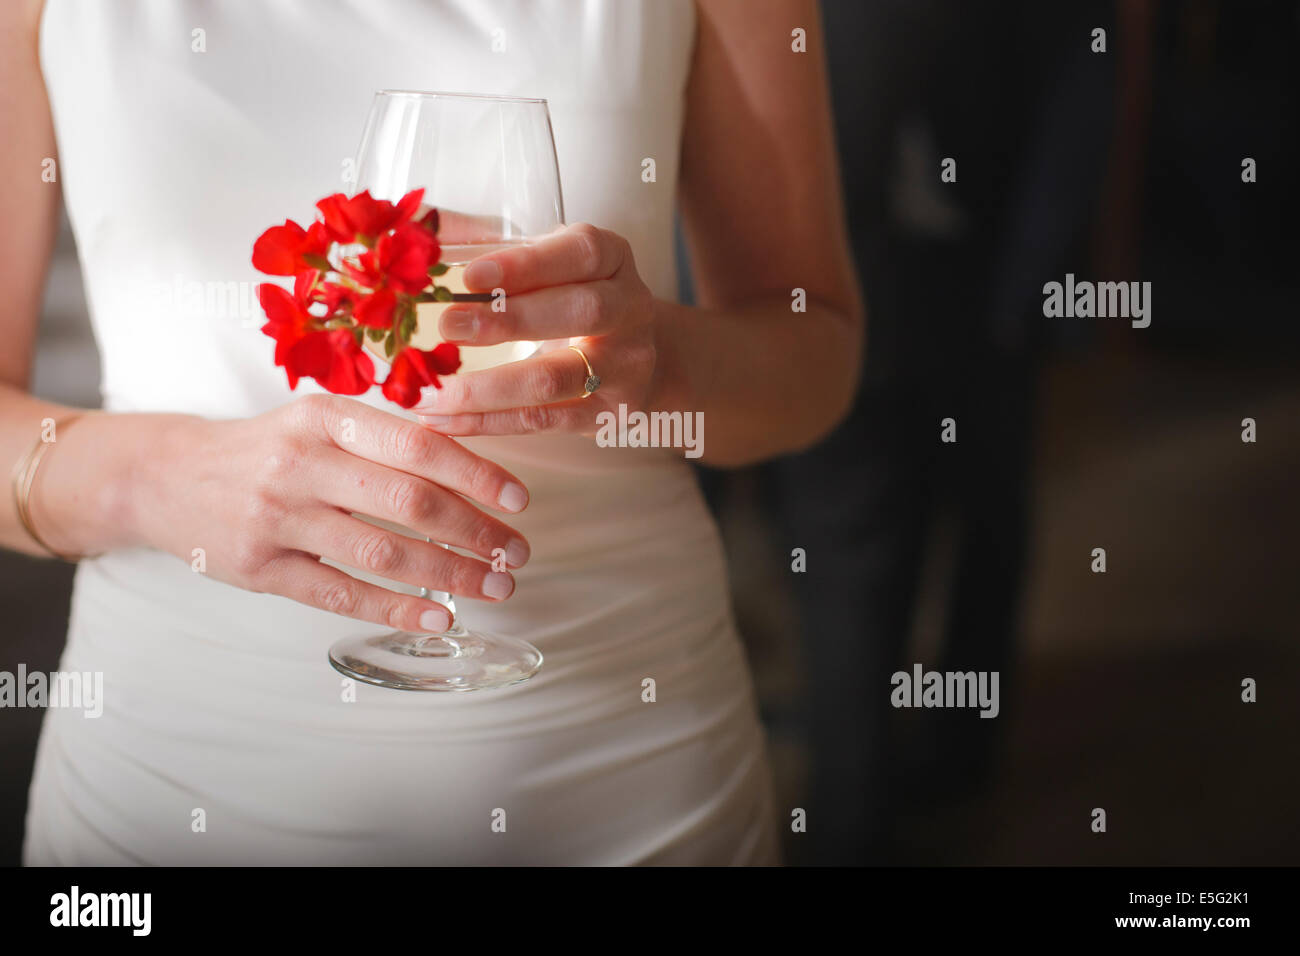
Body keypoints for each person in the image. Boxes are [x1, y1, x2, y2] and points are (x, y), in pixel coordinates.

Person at [4, 0, 861, 864]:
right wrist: (152, 477)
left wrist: (654, 358)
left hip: (629, 784)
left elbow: (813, 349)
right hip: (158, 804)